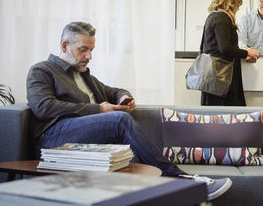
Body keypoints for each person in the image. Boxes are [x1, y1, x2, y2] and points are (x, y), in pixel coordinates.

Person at [26, 22, 232, 201]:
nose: (89, 56)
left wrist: (123, 97)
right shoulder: (42, 70)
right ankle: (180, 179)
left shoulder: (84, 75)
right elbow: (43, 107)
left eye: (92, 49)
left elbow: (113, 91)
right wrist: (97, 108)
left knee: (131, 159)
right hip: (52, 138)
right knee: (119, 121)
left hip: (81, 139)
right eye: (83, 49)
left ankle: (170, 195)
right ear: (64, 46)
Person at [200, 0, 260, 106]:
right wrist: (247, 53)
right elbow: (225, 48)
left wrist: (241, 53)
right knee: (228, 117)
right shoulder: (222, 18)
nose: (238, 8)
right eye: (238, 4)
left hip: (214, 77)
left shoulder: (212, 16)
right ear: (231, 3)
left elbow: (218, 47)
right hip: (223, 78)